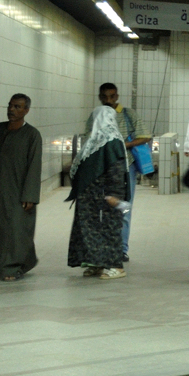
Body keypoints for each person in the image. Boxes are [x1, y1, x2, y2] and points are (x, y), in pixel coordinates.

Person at [67, 106, 130, 279]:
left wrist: (114, 195)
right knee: (90, 232)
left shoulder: (113, 142)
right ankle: (96, 263)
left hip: (105, 197)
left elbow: (116, 171)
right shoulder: (95, 141)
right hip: (90, 199)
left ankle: (116, 266)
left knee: (109, 231)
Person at [92, 83, 150, 259]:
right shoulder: (96, 116)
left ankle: (121, 249)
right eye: (104, 97)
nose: (108, 100)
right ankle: (103, 247)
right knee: (101, 207)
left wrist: (126, 145)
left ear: (117, 96)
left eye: (111, 96)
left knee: (123, 208)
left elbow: (145, 135)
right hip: (102, 167)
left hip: (126, 167)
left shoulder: (127, 115)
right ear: (100, 97)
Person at [0, 94, 42, 281]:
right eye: (10, 105)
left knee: (19, 230)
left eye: (17, 107)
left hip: (21, 190)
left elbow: (34, 165)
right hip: (2, 190)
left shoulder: (32, 135)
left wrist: (30, 194)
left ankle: (12, 267)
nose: (12, 110)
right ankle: (7, 266)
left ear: (26, 110)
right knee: (3, 230)